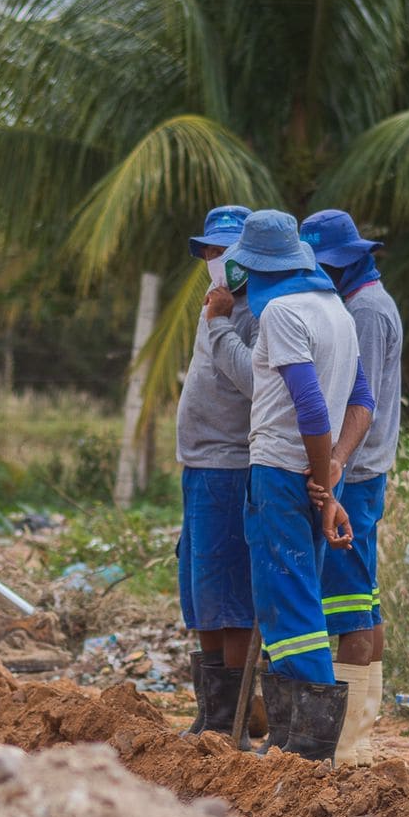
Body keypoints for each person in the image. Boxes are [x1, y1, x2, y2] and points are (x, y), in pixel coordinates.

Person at [215, 209, 373, 763]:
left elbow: (308, 403)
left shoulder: (281, 311)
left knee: (290, 608)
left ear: (254, 269)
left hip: (282, 474)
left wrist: (325, 484)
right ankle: (292, 744)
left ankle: (305, 752)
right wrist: (332, 469)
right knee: (301, 600)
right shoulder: (336, 310)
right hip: (312, 473)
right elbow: (363, 403)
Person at [301, 209, 402, 766]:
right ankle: (357, 735)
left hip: (354, 473)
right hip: (362, 470)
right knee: (360, 594)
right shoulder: (370, 303)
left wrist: (333, 468)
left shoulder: (361, 311)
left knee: (347, 605)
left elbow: (354, 402)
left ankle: (346, 743)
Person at [175, 206, 259, 740]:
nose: (215, 259)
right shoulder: (215, 307)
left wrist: (223, 319)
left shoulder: (250, 312)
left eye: (225, 250)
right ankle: (211, 713)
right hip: (201, 465)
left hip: (230, 465)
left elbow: (255, 382)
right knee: (202, 589)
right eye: (209, 250)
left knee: (229, 593)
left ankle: (230, 723)